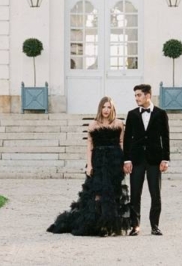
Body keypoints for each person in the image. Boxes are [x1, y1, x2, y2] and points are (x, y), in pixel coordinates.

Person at [47, 96, 131, 236]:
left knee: (112, 193)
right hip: (98, 162)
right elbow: (89, 146)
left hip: (114, 161)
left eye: (108, 107)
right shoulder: (93, 125)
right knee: (98, 194)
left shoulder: (119, 124)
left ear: (112, 109)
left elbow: (122, 142)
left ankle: (109, 226)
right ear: (100, 108)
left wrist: (124, 161)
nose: (106, 110)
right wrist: (89, 165)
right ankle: (98, 225)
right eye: (103, 107)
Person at [123, 83, 170, 236]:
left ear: (147, 95)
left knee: (155, 194)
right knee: (135, 194)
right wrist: (127, 160)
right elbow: (127, 139)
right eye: (135, 95)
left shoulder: (161, 114)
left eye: (139, 95)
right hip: (136, 160)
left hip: (154, 160)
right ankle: (135, 225)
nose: (136, 98)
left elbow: (165, 137)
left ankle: (155, 225)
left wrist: (165, 159)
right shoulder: (132, 114)